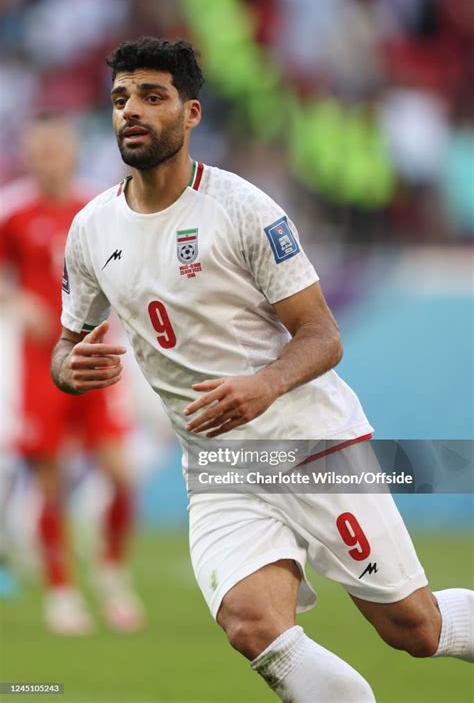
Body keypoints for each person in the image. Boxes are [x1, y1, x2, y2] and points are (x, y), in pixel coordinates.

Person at [51, 37, 472, 700]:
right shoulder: (91, 230)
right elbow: (64, 344)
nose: (131, 110)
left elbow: (323, 336)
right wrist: (67, 367)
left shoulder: (244, 209)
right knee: (254, 627)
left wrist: (263, 384)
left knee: (414, 629)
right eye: (121, 97)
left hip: (312, 446)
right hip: (218, 470)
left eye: (152, 97)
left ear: (191, 114)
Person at [0, 114, 145, 635]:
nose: (49, 158)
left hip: (99, 357)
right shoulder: (14, 211)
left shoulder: (103, 206)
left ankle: (109, 571)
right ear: (29, 154)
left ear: (72, 152)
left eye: (56, 149)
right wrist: (19, 300)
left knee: (121, 474)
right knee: (51, 481)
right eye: (39, 150)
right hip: (43, 366)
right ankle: (61, 591)